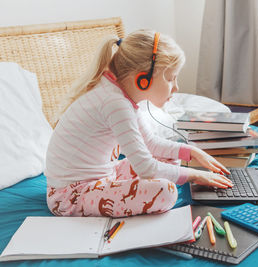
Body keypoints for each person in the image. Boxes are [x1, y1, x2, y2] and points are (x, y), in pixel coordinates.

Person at [45, 30, 233, 218]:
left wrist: (192, 152)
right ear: (143, 79)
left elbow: (150, 143)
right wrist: (195, 175)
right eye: (170, 78)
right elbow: (146, 168)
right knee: (166, 191)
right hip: (69, 196)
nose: (176, 87)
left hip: (101, 176)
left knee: (169, 161)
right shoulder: (115, 103)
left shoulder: (120, 95)